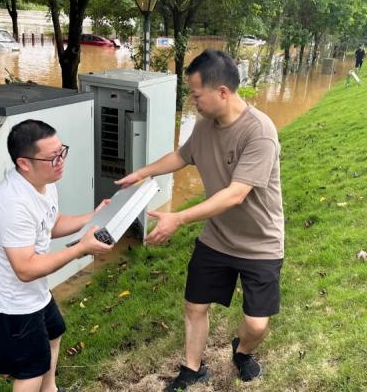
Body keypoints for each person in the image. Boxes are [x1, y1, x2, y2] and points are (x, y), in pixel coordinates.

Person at [115, 49, 284, 391]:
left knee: (256, 324)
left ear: (222, 92)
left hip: (260, 242)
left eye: (196, 95)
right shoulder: (205, 126)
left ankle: (242, 352)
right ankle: (192, 369)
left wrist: (178, 218)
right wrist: (143, 173)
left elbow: (236, 194)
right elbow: (181, 156)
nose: (193, 102)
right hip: (217, 237)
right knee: (195, 306)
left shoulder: (259, 131)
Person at [0, 119, 114, 392]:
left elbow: (52, 224)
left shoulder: (45, 183)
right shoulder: (13, 205)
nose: (61, 161)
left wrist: (93, 217)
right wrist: (80, 249)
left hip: (33, 293)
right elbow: (25, 269)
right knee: (30, 372)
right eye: (53, 157)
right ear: (24, 163)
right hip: (11, 303)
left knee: (54, 333)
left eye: (62, 151)